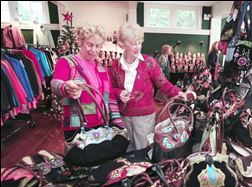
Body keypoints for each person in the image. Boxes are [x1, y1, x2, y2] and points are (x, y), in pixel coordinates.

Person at [109, 22, 195, 152]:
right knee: (127, 149)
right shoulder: (115, 65)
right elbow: (111, 87)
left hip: (144, 117)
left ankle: (146, 172)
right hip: (123, 116)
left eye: (140, 42)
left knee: (144, 150)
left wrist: (179, 92)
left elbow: (163, 83)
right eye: (133, 43)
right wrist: (119, 92)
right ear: (122, 44)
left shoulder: (149, 62)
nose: (138, 47)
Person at [51, 24, 128, 166]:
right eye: (90, 45)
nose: (94, 50)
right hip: (77, 126)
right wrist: (66, 87)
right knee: (82, 162)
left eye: (98, 46)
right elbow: (55, 84)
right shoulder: (67, 62)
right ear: (80, 42)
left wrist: (118, 123)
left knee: (107, 159)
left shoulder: (101, 68)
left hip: (102, 125)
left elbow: (110, 98)